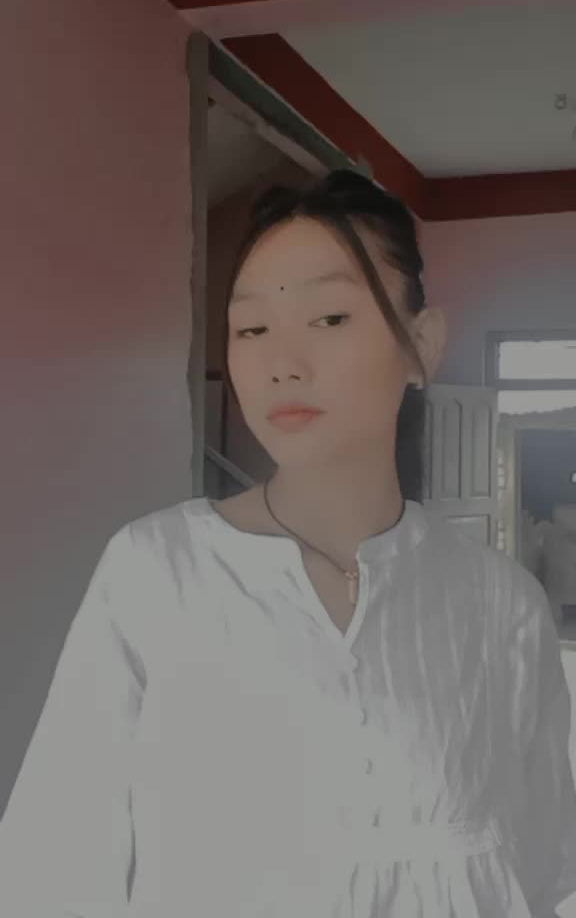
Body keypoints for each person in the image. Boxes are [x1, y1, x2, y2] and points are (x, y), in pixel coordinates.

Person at [1, 170, 575, 918]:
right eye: (251, 329)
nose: (283, 363)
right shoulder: (156, 572)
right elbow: (54, 866)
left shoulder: (503, 606)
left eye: (330, 318)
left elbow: (534, 868)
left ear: (421, 344)